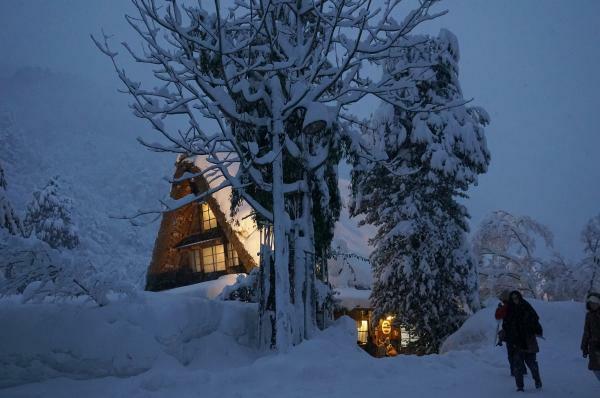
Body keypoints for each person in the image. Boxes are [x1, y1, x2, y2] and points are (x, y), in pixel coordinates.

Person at [503, 290, 543, 392]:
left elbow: (535, 318)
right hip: (516, 342)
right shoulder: (509, 310)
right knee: (517, 365)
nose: (515, 300)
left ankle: (537, 380)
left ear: (519, 297)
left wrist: (532, 327)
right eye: (512, 298)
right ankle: (520, 387)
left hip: (528, 340)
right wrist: (507, 335)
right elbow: (505, 324)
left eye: (516, 297)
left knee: (532, 363)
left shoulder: (526, 306)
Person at [495, 289, 523, 377]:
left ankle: (514, 370)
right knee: (520, 351)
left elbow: (498, 315)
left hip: (511, 333)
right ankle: (523, 369)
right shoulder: (519, 305)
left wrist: (499, 308)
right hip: (521, 332)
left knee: (511, 353)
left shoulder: (506, 306)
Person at [581, 292, 600, 382]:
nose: (593, 305)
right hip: (594, 347)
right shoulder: (589, 315)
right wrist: (584, 347)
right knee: (595, 369)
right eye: (591, 303)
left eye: (596, 302)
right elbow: (586, 332)